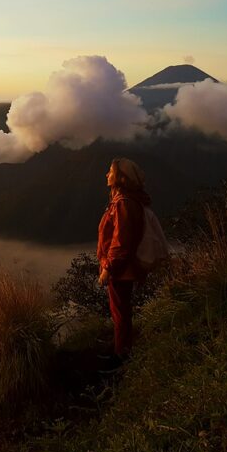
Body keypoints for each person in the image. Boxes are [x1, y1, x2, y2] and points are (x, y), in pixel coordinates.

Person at [96, 158, 150, 371]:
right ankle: (120, 347)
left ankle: (121, 357)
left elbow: (121, 241)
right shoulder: (126, 200)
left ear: (121, 177)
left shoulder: (123, 203)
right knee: (121, 310)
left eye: (110, 172)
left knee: (120, 312)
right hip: (122, 267)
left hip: (120, 269)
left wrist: (108, 268)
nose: (106, 175)